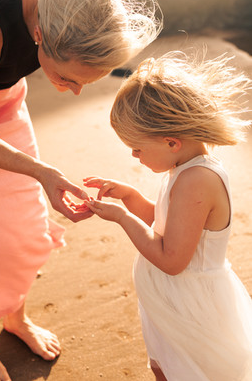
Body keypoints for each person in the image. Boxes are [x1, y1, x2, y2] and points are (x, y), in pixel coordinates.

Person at [0, 0, 161, 380]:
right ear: (38, 34)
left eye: (84, 83)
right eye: (65, 78)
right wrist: (42, 171)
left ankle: (15, 318)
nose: (73, 93)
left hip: (4, 97)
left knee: (24, 222)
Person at [84, 53, 252, 381]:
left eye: (136, 148)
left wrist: (122, 217)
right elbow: (165, 225)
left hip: (193, 306)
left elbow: (172, 258)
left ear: (171, 141)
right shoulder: (182, 167)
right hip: (170, 300)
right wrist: (131, 197)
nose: (134, 156)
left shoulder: (197, 181)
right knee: (163, 366)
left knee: (192, 372)